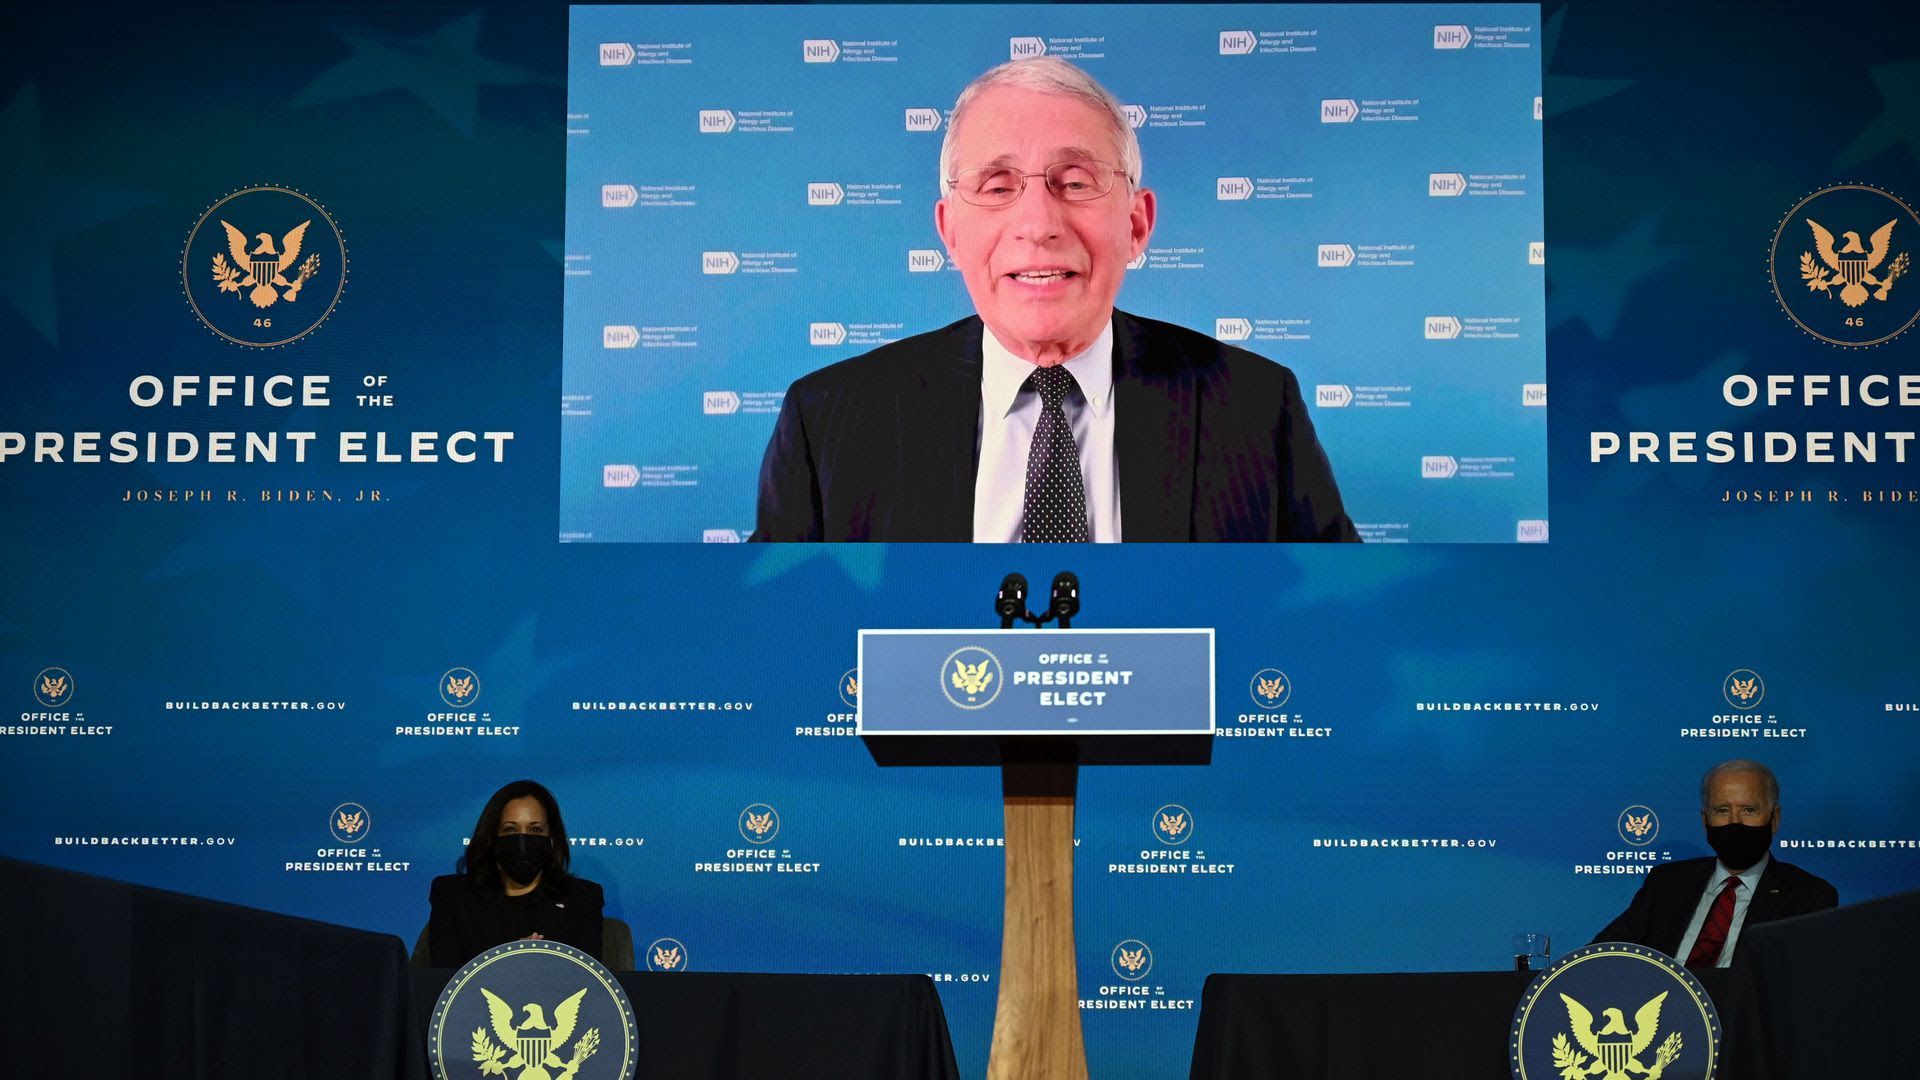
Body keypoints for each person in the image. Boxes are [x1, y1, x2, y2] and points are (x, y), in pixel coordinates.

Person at [752, 57, 1356, 543]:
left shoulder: (1255, 408)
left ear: (1138, 225)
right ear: (950, 233)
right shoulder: (830, 418)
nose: (1038, 223)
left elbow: (1330, 628)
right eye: (997, 186)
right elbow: (781, 645)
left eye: (1075, 183)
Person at [1594, 759, 1837, 967]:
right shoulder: (1666, 884)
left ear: (1774, 819)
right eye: (1722, 810)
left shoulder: (1808, 898)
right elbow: (1599, 956)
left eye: (1749, 810)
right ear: (1705, 820)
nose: (1735, 822)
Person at [427, 780, 605, 966]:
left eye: (535, 829)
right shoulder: (453, 895)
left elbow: (586, 980)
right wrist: (508, 962)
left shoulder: (582, 898)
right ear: (492, 837)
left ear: (552, 839)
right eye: (510, 829)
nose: (522, 841)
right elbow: (447, 979)